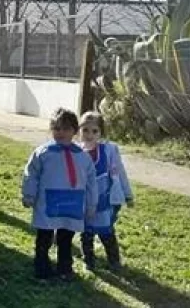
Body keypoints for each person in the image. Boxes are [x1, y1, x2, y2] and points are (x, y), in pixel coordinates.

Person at [21, 108, 98, 281]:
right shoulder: (43, 153)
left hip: (71, 204)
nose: (61, 133)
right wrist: (29, 194)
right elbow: (31, 174)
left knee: (65, 238)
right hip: (47, 203)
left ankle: (65, 267)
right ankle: (42, 268)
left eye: (65, 129)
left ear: (74, 131)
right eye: (56, 128)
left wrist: (91, 204)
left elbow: (91, 182)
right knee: (44, 238)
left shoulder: (83, 157)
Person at [78, 111, 133, 272]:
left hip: (104, 201)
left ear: (101, 133)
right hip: (85, 203)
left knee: (107, 232)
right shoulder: (76, 152)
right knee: (86, 234)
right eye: (85, 130)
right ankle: (89, 261)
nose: (89, 134)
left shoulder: (108, 151)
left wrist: (127, 194)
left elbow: (120, 173)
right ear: (79, 130)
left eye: (94, 131)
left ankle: (114, 260)